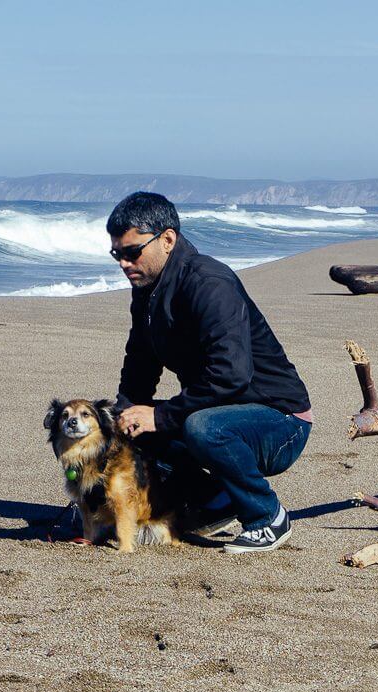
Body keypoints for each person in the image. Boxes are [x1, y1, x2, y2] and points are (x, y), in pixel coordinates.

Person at [109, 192, 313, 553]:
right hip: (220, 412)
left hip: (280, 420)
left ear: (167, 240)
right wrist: (124, 417)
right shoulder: (147, 290)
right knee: (127, 422)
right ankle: (218, 502)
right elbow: (140, 361)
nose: (125, 263)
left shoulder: (209, 282)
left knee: (200, 427)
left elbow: (231, 375)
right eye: (117, 255)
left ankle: (267, 517)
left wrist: (162, 415)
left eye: (132, 252)